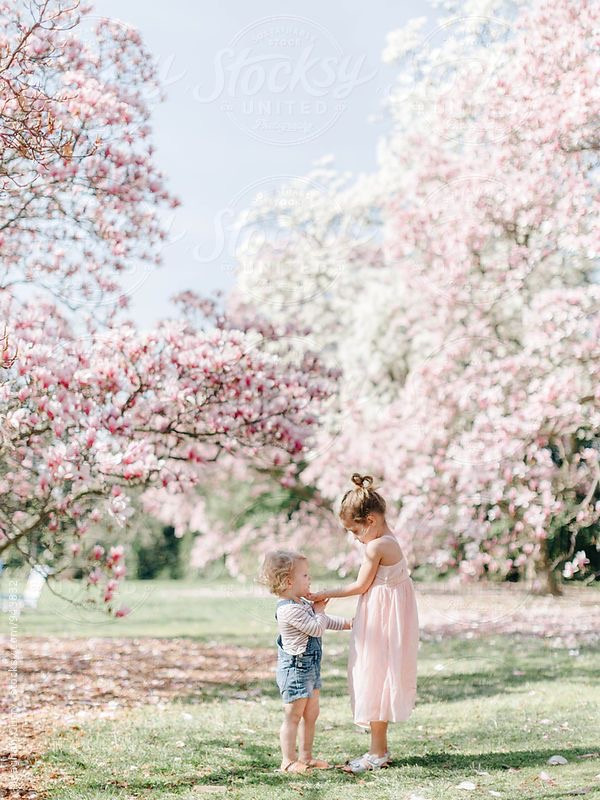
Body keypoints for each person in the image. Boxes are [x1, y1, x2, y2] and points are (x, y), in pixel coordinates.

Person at [308, 473, 419, 773]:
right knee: (378, 677)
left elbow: (359, 586)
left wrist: (322, 593)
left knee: (374, 676)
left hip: (380, 618)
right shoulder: (388, 535)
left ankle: (377, 753)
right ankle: (378, 749)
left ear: (369, 520)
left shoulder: (376, 547)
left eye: (354, 530)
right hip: (389, 613)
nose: (355, 538)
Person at [259, 549, 352, 774]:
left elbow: (325, 621)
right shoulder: (288, 610)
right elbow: (316, 628)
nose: (310, 579)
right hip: (295, 670)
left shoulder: (301, 604)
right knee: (293, 715)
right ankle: (288, 761)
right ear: (289, 581)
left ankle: (306, 756)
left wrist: (350, 623)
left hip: (310, 669)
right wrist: (319, 610)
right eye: (305, 576)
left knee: (312, 713)